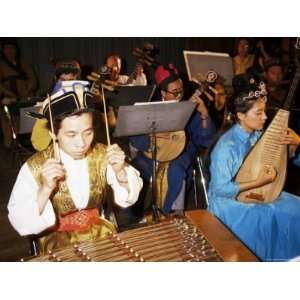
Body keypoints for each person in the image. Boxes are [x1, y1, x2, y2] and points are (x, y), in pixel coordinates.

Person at [8, 81, 143, 253]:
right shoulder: (35, 166)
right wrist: (45, 189)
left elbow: (129, 197)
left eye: (88, 133)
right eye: (71, 134)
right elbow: (21, 222)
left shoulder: (102, 154)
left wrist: (120, 173)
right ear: (53, 133)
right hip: (57, 241)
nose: (81, 143)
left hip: (100, 235)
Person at [208, 73, 300, 261]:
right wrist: (259, 181)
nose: (265, 117)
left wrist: (294, 146)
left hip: (259, 190)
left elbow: (276, 164)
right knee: (269, 215)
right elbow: (220, 190)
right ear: (241, 115)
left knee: (295, 207)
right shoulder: (227, 147)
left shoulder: (257, 136)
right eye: (258, 113)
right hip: (230, 206)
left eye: (264, 111)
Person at [129, 64, 215, 215]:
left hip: (182, 152)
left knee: (176, 170)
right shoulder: (152, 107)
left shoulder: (191, 108)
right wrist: (149, 144)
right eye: (174, 92)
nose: (179, 95)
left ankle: (172, 214)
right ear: (163, 92)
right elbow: (136, 136)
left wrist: (204, 114)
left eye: (181, 91)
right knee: (136, 167)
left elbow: (205, 140)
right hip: (154, 151)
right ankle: (137, 215)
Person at [30, 58, 81, 151]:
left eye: (70, 80)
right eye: (62, 80)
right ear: (56, 81)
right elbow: (38, 141)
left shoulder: (83, 101)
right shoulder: (49, 105)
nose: (66, 85)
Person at [0, 38, 37, 148]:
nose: (10, 51)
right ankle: (11, 147)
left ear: (16, 50)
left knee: (30, 119)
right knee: (10, 125)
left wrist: (27, 90)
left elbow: (33, 80)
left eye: (12, 48)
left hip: (25, 98)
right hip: (8, 99)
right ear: (3, 50)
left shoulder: (23, 62)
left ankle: (30, 145)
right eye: (7, 48)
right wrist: (10, 95)